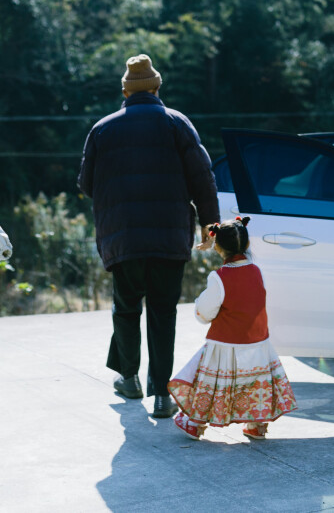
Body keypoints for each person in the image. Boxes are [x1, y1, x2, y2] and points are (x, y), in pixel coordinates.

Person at [78, 53, 220, 418]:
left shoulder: (102, 129)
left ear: (124, 91)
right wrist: (210, 226)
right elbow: (203, 179)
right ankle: (161, 395)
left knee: (126, 310)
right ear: (157, 87)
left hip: (122, 238)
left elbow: (87, 185)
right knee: (162, 312)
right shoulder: (178, 123)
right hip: (169, 238)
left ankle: (129, 379)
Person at [168, 217, 298, 440]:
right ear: (247, 245)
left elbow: (206, 312)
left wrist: (199, 305)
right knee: (253, 382)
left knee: (207, 382)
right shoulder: (257, 272)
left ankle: (195, 423)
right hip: (257, 341)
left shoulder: (218, 277)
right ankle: (257, 425)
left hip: (225, 343)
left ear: (217, 246)